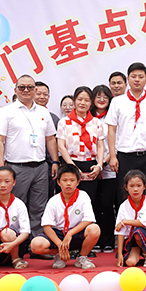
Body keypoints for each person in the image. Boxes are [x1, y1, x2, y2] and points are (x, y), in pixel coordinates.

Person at [0, 75, 60, 240]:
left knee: (39, 207)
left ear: (35, 90)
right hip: (16, 167)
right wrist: (0, 167)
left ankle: (36, 242)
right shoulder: (6, 112)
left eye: (30, 87)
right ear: (15, 90)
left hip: (41, 167)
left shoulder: (43, 112)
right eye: (22, 87)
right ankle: (14, 241)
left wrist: (55, 161)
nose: (26, 90)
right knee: (15, 206)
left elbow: (50, 139)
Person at [106, 62, 146, 215]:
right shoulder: (117, 102)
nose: (137, 79)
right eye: (133, 76)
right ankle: (125, 227)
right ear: (128, 79)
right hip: (124, 156)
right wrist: (113, 156)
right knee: (123, 194)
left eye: (140, 76)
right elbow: (111, 130)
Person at [30, 164, 99, 269]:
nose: (68, 183)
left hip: (76, 233)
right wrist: (60, 245)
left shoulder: (83, 196)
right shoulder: (53, 200)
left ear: (78, 182)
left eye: (72, 180)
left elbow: (89, 219)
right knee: (36, 244)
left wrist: (70, 233)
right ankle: (59, 254)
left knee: (94, 229)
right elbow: (47, 226)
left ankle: (82, 257)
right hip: (59, 234)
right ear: (58, 182)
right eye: (64, 180)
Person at [57, 86, 105, 214]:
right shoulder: (64, 122)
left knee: (89, 201)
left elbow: (100, 146)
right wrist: (72, 166)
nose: (83, 103)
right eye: (80, 99)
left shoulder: (96, 122)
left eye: (87, 100)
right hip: (70, 164)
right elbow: (61, 146)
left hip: (90, 166)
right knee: (69, 200)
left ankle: (87, 226)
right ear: (74, 101)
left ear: (91, 103)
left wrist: (99, 165)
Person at [91, 84, 118, 252]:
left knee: (107, 205)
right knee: (93, 205)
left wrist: (102, 164)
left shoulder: (113, 118)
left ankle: (108, 240)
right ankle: (95, 240)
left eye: (105, 97)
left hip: (109, 166)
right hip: (90, 167)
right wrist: (96, 166)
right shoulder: (87, 118)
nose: (101, 100)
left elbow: (115, 142)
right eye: (98, 97)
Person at [115, 170, 146, 267]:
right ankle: (137, 252)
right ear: (126, 187)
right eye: (131, 186)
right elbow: (120, 231)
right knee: (130, 263)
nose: (135, 189)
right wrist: (120, 254)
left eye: (139, 186)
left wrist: (124, 222)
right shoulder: (123, 206)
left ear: (144, 186)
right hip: (132, 240)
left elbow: (144, 223)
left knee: (138, 232)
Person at [35, 81, 60, 198]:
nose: (42, 97)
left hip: (48, 165)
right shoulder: (20, 115)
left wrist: (55, 162)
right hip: (25, 165)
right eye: (38, 93)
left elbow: (56, 142)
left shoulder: (54, 118)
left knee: (46, 197)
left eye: (45, 94)